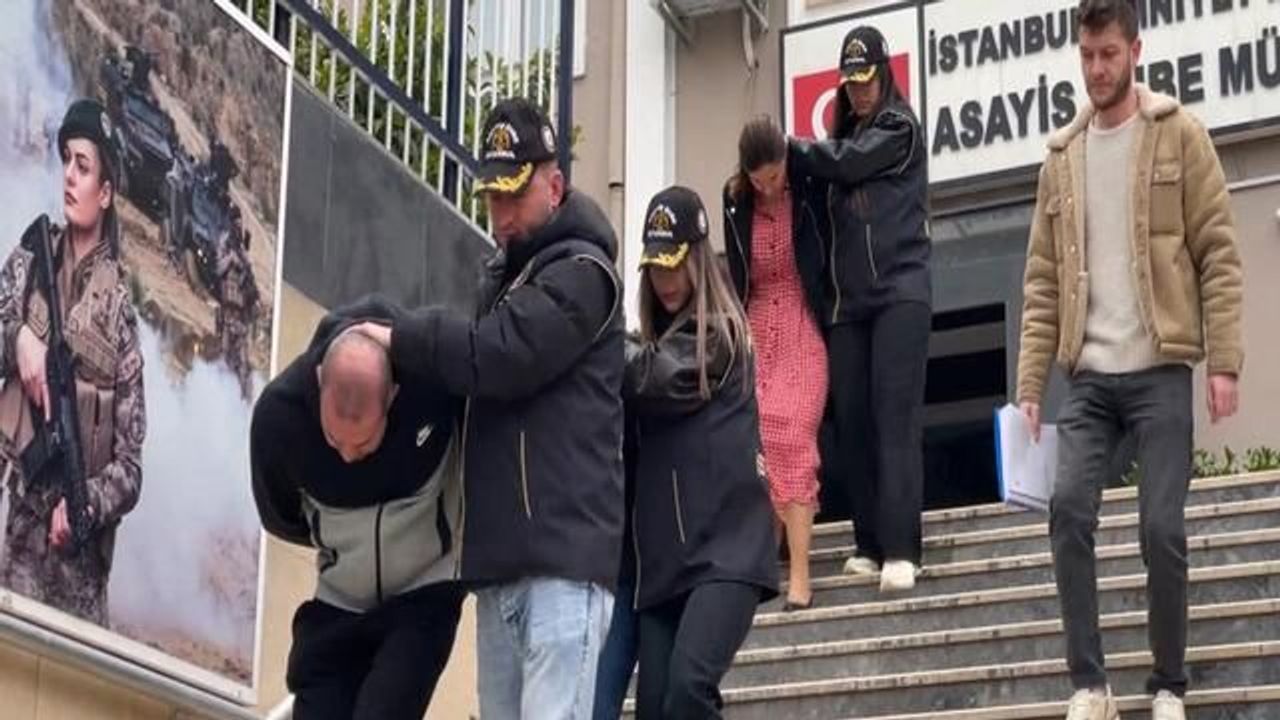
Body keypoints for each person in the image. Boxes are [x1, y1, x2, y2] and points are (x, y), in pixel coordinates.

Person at [357, 97, 624, 719]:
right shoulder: (512, 281)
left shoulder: (583, 272)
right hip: (503, 569)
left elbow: (499, 355)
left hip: (562, 568)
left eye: (513, 196)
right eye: (492, 197)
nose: (500, 215)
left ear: (553, 186)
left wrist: (401, 337)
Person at [1016, 2, 1244, 719]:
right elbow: (1042, 280)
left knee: (1161, 528)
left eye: (1108, 54)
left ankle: (1168, 684)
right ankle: (1090, 686)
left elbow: (1219, 254)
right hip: (1088, 377)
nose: (1096, 69)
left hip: (1160, 369)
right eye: (1087, 55)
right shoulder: (1063, 157)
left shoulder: (1180, 134)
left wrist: (1224, 362)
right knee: (1067, 511)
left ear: (1136, 51)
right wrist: (1031, 383)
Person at [250, 295, 465, 720]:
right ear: (318, 381)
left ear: (394, 396)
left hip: (425, 589)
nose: (348, 455)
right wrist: (344, 543)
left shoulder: (435, 374)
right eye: (334, 440)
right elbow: (279, 514)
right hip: (338, 600)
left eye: (364, 443)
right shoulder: (279, 418)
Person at [789, 25, 932, 592]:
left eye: (867, 79)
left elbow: (850, 162)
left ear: (884, 74)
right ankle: (869, 543)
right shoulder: (837, 146)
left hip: (900, 291)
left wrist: (793, 149)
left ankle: (902, 549)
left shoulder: (900, 127)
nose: (859, 90)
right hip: (848, 304)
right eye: (850, 82)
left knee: (895, 418)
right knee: (852, 422)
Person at [627, 186, 778, 719]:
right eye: (656, 267)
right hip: (665, 561)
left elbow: (657, 376)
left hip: (728, 551)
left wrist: (590, 340)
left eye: (675, 264)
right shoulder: (649, 346)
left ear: (698, 258)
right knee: (655, 709)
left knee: (689, 689)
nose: (665, 279)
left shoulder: (720, 334)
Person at [0, 99, 146, 626]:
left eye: (83, 166)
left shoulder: (121, 316)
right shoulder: (29, 263)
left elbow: (130, 468)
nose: (68, 175)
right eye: (66, 160)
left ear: (104, 193)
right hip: (18, 538)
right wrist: (18, 339)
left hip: (78, 571)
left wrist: (87, 504)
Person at [724, 116, 829, 610]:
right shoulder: (735, 201)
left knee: (794, 434)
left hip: (804, 320)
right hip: (757, 325)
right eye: (758, 179)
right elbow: (736, 273)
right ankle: (766, 559)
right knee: (760, 434)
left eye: (774, 176)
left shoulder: (807, 189)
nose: (768, 187)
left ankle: (800, 575)